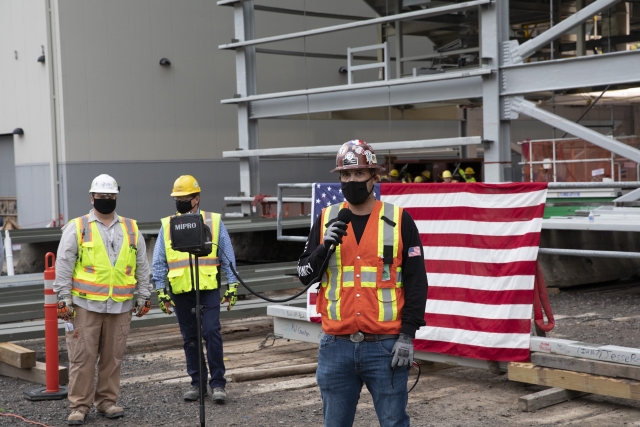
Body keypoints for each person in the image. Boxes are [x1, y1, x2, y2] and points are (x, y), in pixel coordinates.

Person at [297, 140, 428, 427]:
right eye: (346, 175)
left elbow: (417, 282)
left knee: (394, 422)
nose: (351, 181)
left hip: (386, 348)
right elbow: (305, 274)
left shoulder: (399, 220)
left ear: (374, 178)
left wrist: (407, 335)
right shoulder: (327, 220)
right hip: (335, 348)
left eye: (359, 175)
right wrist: (323, 247)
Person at [54, 174, 152, 425]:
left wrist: (144, 295)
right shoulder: (78, 227)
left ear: (116, 197)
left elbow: (142, 264)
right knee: (82, 357)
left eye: (110, 197)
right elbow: (64, 264)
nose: (106, 200)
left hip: (120, 305)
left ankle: (107, 401)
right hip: (85, 305)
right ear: (92, 197)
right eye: (101, 196)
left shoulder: (131, 227)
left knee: (113, 357)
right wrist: (63, 297)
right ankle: (79, 405)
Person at [152, 175, 239, 403]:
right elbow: (159, 260)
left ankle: (218, 384)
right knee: (190, 338)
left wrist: (232, 285)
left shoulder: (213, 222)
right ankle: (198, 384)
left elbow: (227, 255)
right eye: (177, 198)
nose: (180, 202)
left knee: (211, 332)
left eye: (185, 197)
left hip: (208, 288)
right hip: (181, 290)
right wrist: (161, 290)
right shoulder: (168, 226)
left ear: (196, 199)